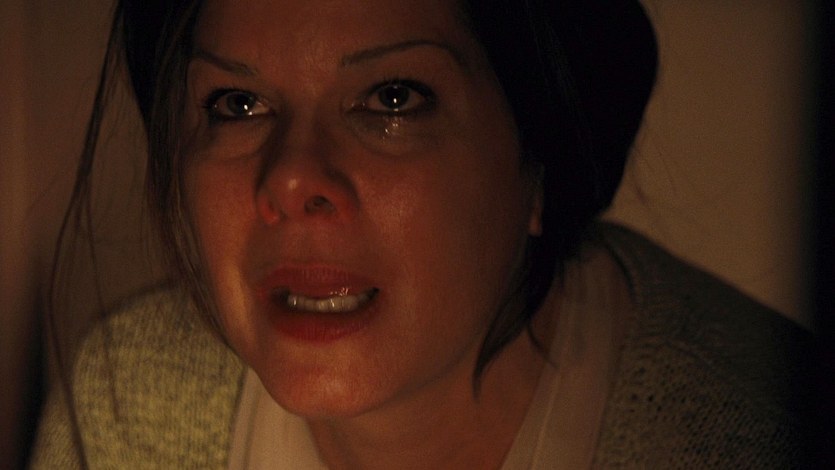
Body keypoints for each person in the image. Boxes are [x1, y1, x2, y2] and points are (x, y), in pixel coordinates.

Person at [30, 0, 812, 468]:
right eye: (237, 105)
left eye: (392, 99)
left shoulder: (758, 434)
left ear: (540, 155)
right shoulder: (127, 405)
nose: (291, 180)